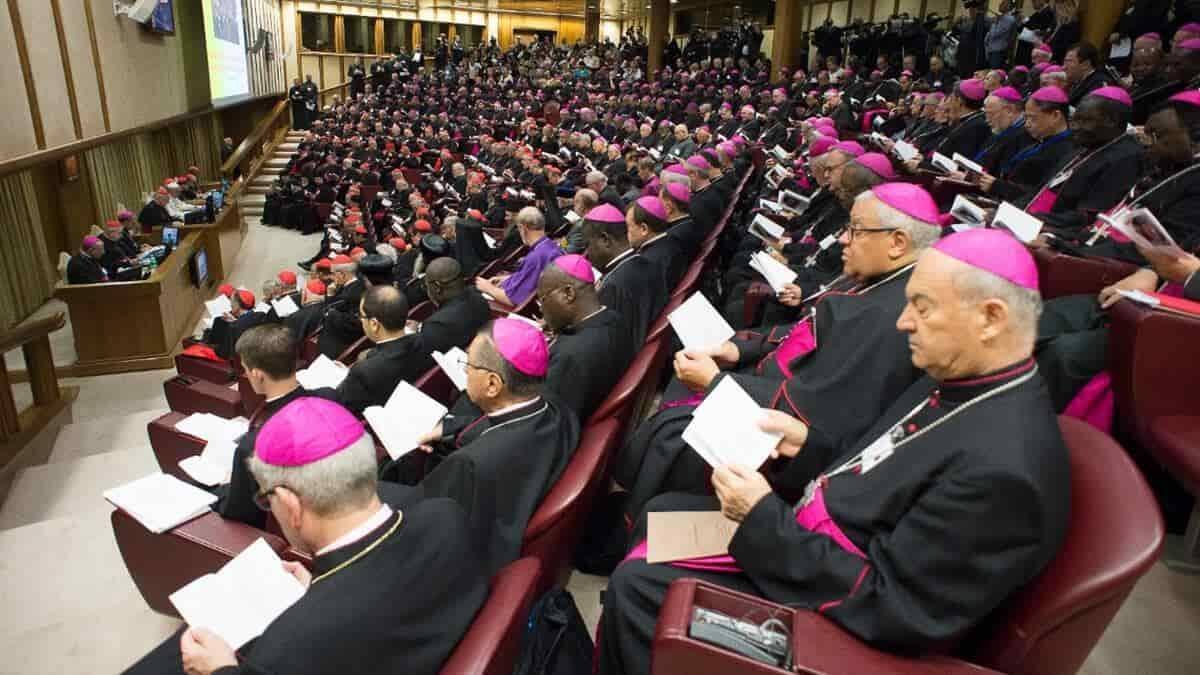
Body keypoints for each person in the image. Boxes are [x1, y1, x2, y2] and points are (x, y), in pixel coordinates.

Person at [598, 229, 1071, 675]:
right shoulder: (955, 378)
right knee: (661, 516)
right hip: (818, 544)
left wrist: (763, 517)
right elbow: (877, 463)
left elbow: (896, 609)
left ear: (990, 318)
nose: (903, 322)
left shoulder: (1007, 468)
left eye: (922, 308)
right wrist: (805, 447)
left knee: (640, 587)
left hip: (843, 614)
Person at [616, 183, 939, 522]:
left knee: (676, 431)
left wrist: (716, 383)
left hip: (786, 437)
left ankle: (633, 522)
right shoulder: (874, 277)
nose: (844, 238)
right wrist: (735, 350)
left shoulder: (889, 319)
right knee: (684, 384)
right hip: (774, 381)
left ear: (897, 242)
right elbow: (803, 328)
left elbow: (820, 410)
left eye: (855, 230)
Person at [124, 398, 487, 675]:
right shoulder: (447, 516)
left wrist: (221, 670)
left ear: (289, 503)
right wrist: (320, 586)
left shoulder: (288, 649)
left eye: (266, 497)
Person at [405, 318, 581, 575]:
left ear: (492, 384)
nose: (465, 372)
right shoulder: (555, 406)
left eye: (468, 365)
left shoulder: (470, 465)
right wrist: (451, 429)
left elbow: (427, 522)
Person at [213, 324, 338, 528]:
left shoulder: (251, 448)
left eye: (244, 368)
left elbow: (239, 514)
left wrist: (226, 488)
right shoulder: (330, 397)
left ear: (257, 374)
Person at [1030, 87, 1143, 241]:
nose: (1075, 127)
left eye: (1085, 120)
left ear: (1112, 121)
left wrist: (1034, 219)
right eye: (1074, 120)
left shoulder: (1127, 158)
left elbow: (1090, 216)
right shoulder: (1085, 145)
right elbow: (1042, 190)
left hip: (1062, 236)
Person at [539, 256, 637, 420]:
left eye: (543, 300)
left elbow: (549, 421)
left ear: (568, 293)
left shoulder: (568, 356)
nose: (542, 309)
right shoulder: (616, 317)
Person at [580, 201, 668, 347]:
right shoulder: (648, 261)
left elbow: (607, 345)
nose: (587, 254)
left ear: (605, 240)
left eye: (588, 244)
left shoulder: (612, 286)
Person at [334, 286, 428, 416]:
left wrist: (348, 377)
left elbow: (340, 407)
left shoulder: (363, 372)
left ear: (374, 324)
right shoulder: (424, 341)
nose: (360, 320)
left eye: (361, 315)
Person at [978, 86, 1075, 203]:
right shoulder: (1041, 141)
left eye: (1032, 118)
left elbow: (1040, 197)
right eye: (1026, 118)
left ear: (1055, 115)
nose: (1027, 124)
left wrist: (998, 187)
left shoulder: (1067, 151)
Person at [475, 206, 562, 307]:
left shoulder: (536, 257)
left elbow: (513, 300)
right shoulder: (550, 246)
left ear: (523, 228)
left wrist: (487, 288)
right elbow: (532, 277)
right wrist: (508, 279)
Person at [414, 257, 493, 356]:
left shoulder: (436, 326)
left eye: (426, 285)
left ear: (437, 287)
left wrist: (417, 332)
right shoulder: (477, 295)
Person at [317, 256, 366, 359]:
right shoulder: (360, 283)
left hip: (344, 338)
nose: (331, 277)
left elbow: (327, 311)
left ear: (342, 274)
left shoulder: (347, 296)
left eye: (333, 274)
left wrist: (330, 295)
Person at [1064, 42, 1112, 107]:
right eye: (1065, 62)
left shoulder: (1100, 84)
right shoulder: (1076, 81)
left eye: (1069, 61)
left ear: (1085, 65)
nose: (1064, 67)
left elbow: (1088, 113)